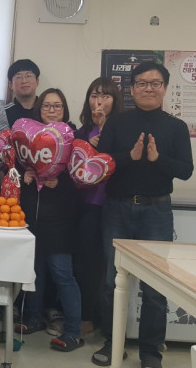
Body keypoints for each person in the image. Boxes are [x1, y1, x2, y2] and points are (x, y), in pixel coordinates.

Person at [93, 62, 193, 368]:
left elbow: (186, 171)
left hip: (156, 211)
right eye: (141, 83)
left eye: (155, 83)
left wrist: (157, 159)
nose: (148, 88)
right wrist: (130, 157)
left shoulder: (176, 127)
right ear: (132, 89)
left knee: (155, 286)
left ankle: (151, 353)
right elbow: (101, 163)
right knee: (111, 281)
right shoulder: (116, 123)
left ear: (165, 88)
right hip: (117, 209)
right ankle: (113, 343)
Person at [16, 88, 83, 352]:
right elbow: (15, 166)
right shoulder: (27, 137)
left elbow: (84, 178)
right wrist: (24, 175)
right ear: (39, 108)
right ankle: (33, 318)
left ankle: (74, 331)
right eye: (47, 105)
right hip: (32, 216)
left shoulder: (74, 138)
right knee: (34, 272)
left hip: (61, 221)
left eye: (57, 106)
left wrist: (61, 182)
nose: (52, 110)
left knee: (62, 274)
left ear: (64, 109)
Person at [73, 77, 123, 335]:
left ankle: (111, 324)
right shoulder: (81, 133)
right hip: (87, 206)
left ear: (115, 100)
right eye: (94, 95)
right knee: (87, 262)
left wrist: (105, 135)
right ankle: (87, 316)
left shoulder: (123, 131)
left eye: (105, 96)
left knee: (112, 267)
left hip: (115, 205)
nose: (99, 101)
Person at [4, 59, 41, 127]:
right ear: (10, 85)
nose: (24, 81)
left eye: (28, 76)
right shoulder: (4, 112)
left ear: (37, 82)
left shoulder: (46, 110)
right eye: (18, 77)